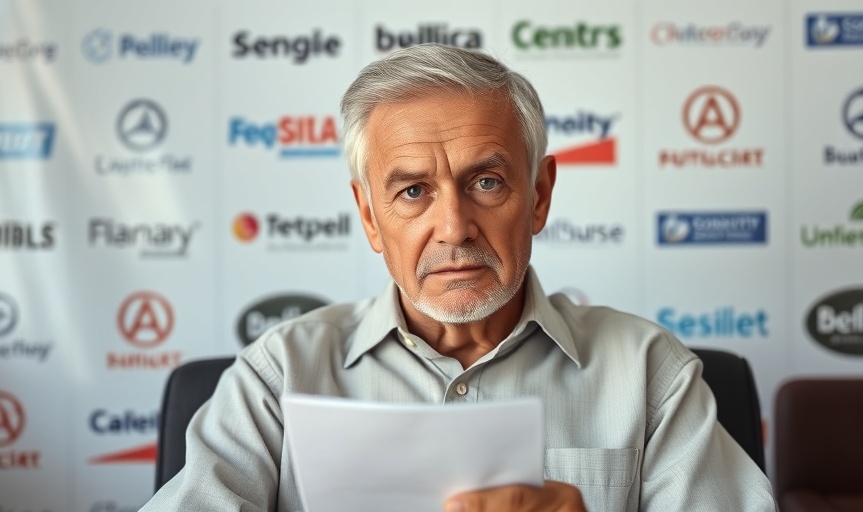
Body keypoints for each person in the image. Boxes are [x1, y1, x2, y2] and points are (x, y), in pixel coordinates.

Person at [142, 43, 776, 511]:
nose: (453, 227)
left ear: (539, 195)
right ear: (369, 214)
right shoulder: (279, 374)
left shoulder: (648, 372)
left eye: (487, 182)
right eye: (414, 191)